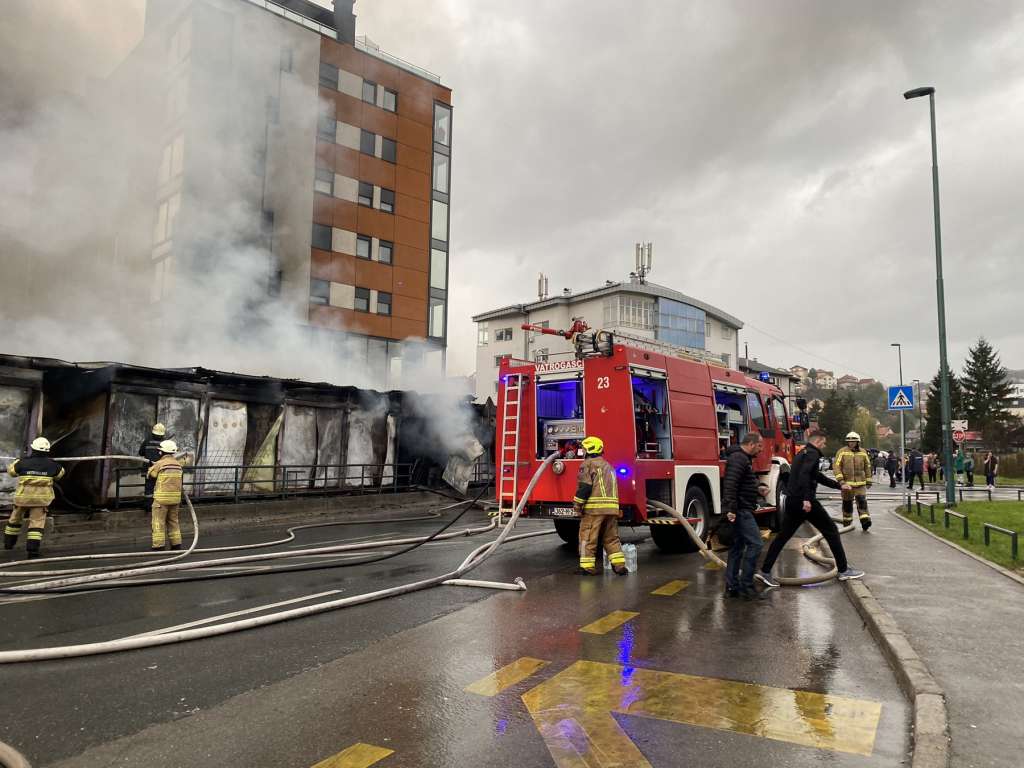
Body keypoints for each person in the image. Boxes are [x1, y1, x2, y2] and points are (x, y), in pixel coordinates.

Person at [757, 429, 864, 587]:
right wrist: (807, 499)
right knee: (831, 530)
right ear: (818, 441)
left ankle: (765, 571)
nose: (824, 445)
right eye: (824, 442)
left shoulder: (803, 453)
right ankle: (843, 570)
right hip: (805, 502)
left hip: (793, 501)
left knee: (783, 536)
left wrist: (839, 485)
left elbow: (816, 476)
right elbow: (805, 476)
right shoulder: (813, 454)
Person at [572, 436, 626, 575]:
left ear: (589, 449)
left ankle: (587, 567)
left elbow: (584, 488)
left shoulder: (587, 464)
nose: (582, 452)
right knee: (611, 538)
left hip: (594, 510)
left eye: (583, 449)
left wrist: (577, 506)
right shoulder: (609, 466)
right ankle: (619, 566)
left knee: (588, 538)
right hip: (611, 509)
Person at [4, 437, 64, 559]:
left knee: (14, 520)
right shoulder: (53, 465)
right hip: (40, 501)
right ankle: (32, 552)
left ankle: (8, 544)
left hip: (23, 498)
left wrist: (17, 462)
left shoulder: (23, 462)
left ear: (33, 448)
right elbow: (60, 474)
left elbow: (11, 472)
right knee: (36, 525)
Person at [722, 432, 765, 599]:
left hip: (741, 508)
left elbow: (741, 482)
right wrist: (730, 509)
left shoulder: (742, 459)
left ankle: (732, 587)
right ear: (752, 444)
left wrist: (758, 488)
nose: (761, 450)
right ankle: (747, 586)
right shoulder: (739, 459)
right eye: (760, 446)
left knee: (737, 547)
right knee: (756, 544)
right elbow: (731, 485)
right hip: (741, 510)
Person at [148, 439, 185, 551]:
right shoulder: (178, 465)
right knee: (173, 522)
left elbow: (151, 475)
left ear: (161, 452)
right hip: (175, 500)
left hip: (161, 500)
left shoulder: (160, 463)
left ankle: (159, 546)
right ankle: (176, 544)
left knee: (158, 522)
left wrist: (151, 467)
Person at [834, 431, 872, 530]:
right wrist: (841, 481)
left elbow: (867, 467)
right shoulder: (842, 452)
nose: (851, 443)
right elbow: (836, 466)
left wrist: (869, 480)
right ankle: (847, 522)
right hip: (847, 484)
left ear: (858, 442)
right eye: (849, 442)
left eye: (853, 442)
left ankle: (865, 521)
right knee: (847, 504)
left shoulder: (863, 452)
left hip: (860, 484)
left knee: (862, 501)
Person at [138, 423, 167, 512]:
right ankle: (159, 506)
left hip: (149, 469)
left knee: (149, 488)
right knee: (161, 487)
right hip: (161, 469)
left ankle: (148, 506)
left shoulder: (147, 441)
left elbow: (141, 452)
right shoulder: (164, 442)